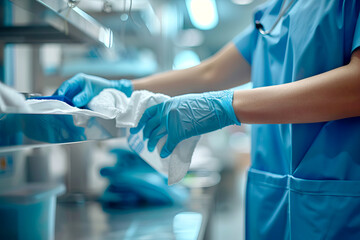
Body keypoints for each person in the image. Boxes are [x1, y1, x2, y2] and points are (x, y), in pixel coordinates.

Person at [55, 0, 360, 239]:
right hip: (271, 204)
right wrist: (121, 87)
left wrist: (225, 105)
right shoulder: (274, 10)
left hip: (338, 206)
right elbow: (210, 74)